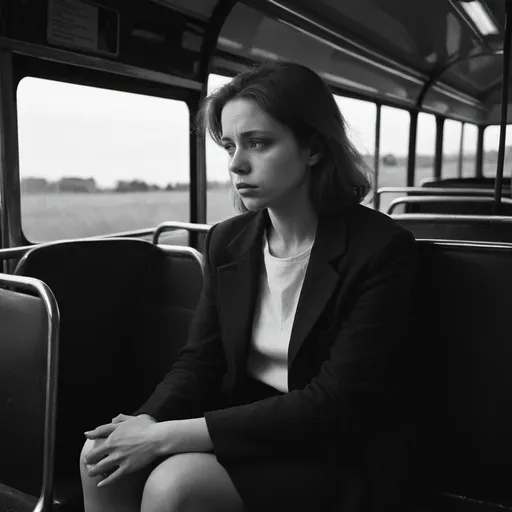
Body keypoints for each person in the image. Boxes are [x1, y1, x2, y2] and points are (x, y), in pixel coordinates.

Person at [80, 61, 418, 512]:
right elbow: (200, 360)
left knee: (173, 486)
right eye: (229, 146)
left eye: (259, 143)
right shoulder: (229, 239)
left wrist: (165, 437)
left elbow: (334, 403)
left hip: (334, 447)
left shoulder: (381, 249)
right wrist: (146, 419)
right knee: (97, 457)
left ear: (313, 148)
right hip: (244, 424)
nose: (237, 164)